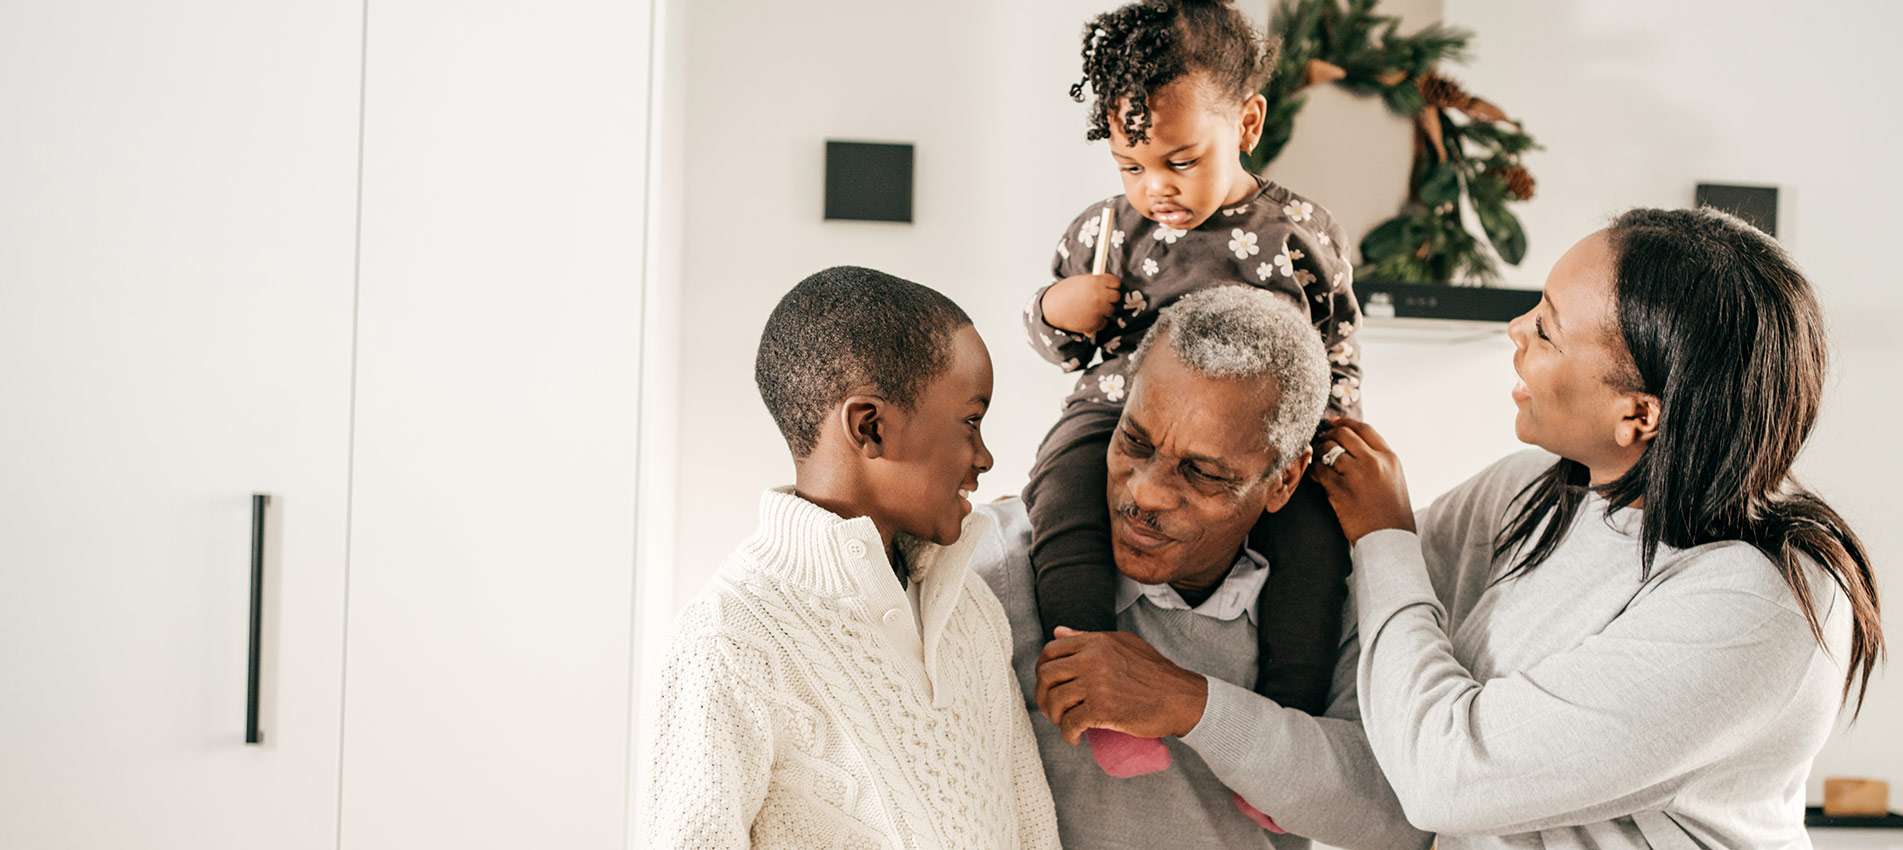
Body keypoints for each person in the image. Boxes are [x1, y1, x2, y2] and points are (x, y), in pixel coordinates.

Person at [1312, 208, 1886, 848]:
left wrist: (1383, 536)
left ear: (1639, 415)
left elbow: (1444, 777)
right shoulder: (1525, 491)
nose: (1515, 330)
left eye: (1548, 331)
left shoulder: (1757, 602)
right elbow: (1357, 626)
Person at [971, 286, 1429, 850]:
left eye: (1204, 473)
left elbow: (1400, 820)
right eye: (1133, 441)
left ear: (1284, 480)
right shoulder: (993, 568)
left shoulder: (1345, 613)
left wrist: (1193, 706)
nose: (1148, 492)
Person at [1022, 0, 1363, 749]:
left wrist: (1327, 444)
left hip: (1254, 442)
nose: (1156, 188)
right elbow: (1061, 349)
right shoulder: (1103, 229)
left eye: (1180, 161)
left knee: (1315, 554)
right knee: (1061, 503)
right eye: (1130, 167)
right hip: (1112, 412)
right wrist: (1057, 309)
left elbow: (1334, 349)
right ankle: (1087, 673)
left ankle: (1287, 714)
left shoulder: (1296, 234)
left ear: (1244, 126)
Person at [639, 267, 1059, 849]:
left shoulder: (973, 609)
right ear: (870, 426)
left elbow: (1033, 829)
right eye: (970, 420)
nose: (984, 457)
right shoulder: (728, 641)